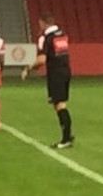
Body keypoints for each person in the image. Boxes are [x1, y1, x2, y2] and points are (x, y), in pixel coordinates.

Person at [21, 12, 74, 148]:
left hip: (55, 73)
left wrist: (28, 68)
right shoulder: (62, 33)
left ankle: (66, 139)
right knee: (60, 103)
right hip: (66, 70)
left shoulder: (45, 38)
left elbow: (42, 59)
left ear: (43, 23)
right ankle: (68, 135)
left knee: (59, 105)